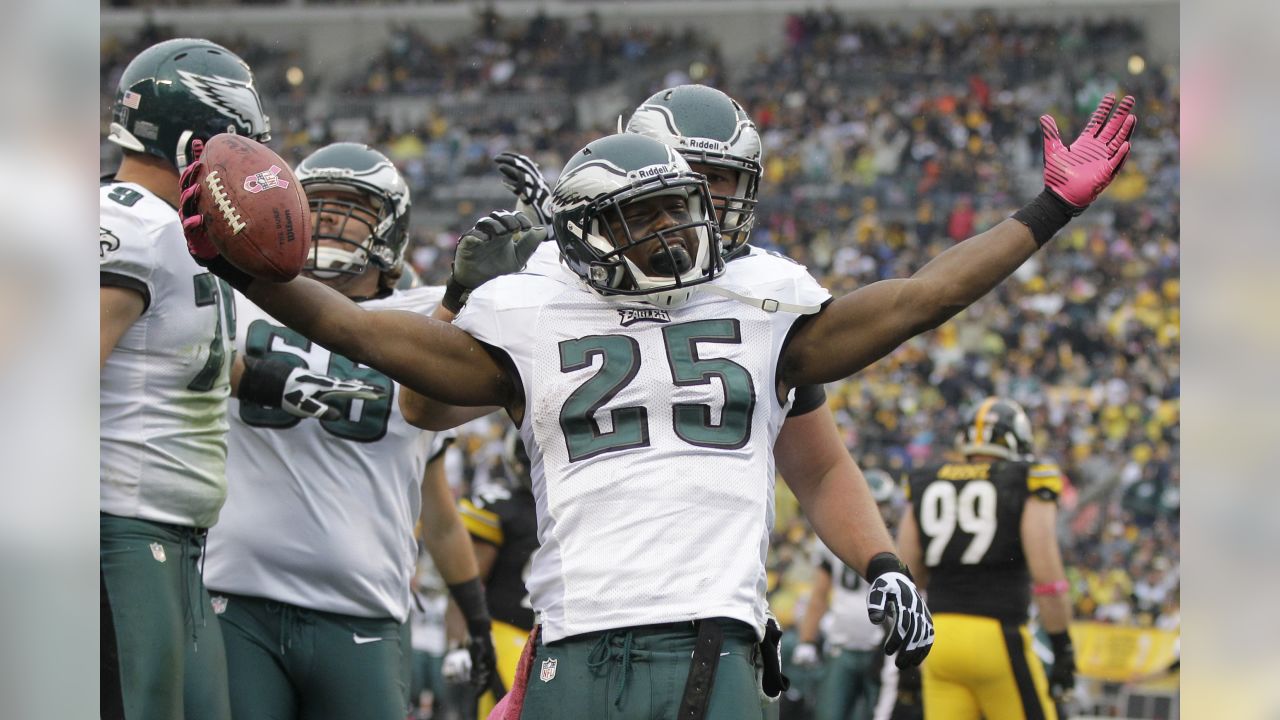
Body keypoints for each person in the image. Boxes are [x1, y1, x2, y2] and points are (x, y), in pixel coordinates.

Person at [176, 90, 1132, 718]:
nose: (688, 226)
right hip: (574, 628)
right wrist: (242, 265)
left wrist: (1046, 212)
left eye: (700, 201)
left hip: (703, 620)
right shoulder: (537, 292)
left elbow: (917, 305)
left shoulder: (761, 297)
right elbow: (379, 354)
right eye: (662, 206)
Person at [199, 142, 495, 720]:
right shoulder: (237, 297)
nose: (329, 219)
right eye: (317, 206)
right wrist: (255, 380)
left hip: (361, 606)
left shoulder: (429, 311)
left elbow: (436, 507)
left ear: (391, 228)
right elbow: (175, 355)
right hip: (237, 596)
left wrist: (473, 613)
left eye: (349, 206)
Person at [100, 37, 273, 720]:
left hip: (179, 537)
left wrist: (263, 381)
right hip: (119, 526)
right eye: (241, 136)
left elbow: (171, 358)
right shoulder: (127, 222)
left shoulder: (185, 228)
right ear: (195, 137)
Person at [896, 397, 1077, 720]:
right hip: (997, 634)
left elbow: (908, 571)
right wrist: (1062, 645)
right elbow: (1046, 573)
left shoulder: (925, 480)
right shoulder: (1029, 476)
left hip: (939, 639)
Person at [446, 426, 542, 718]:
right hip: (507, 628)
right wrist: (456, 644)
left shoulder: (569, 505)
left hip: (552, 632)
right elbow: (468, 579)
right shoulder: (503, 506)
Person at [793, 469, 901, 720]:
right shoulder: (835, 536)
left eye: (881, 505)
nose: (877, 511)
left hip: (883, 650)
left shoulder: (898, 541)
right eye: (873, 504)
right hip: (843, 645)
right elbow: (820, 594)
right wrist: (807, 640)